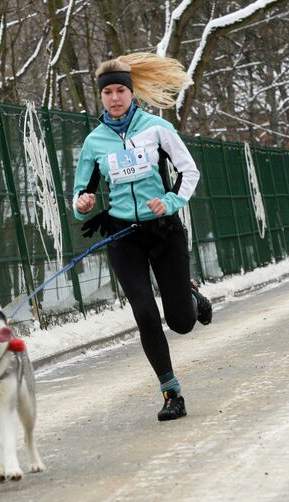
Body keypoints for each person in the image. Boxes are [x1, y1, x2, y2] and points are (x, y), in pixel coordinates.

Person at [72, 52, 212, 422]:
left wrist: (170, 201)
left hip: (163, 230)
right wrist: (83, 203)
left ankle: (190, 294)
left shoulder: (156, 128)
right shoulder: (94, 142)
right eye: (108, 93)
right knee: (145, 314)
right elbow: (80, 192)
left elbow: (189, 171)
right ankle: (171, 393)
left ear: (132, 93)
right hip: (123, 236)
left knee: (181, 322)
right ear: (100, 97)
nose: (115, 98)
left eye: (121, 91)